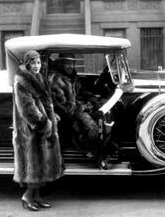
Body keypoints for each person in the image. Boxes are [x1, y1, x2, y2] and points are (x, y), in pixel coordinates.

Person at [12, 50, 64, 211]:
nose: (37, 66)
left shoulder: (39, 77)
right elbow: (28, 109)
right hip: (30, 130)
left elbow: (44, 102)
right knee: (33, 165)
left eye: (39, 62)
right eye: (33, 63)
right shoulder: (22, 81)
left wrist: (51, 115)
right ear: (27, 64)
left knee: (41, 164)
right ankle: (27, 196)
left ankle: (37, 196)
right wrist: (45, 124)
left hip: (41, 127)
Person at [48, 54, 102, 164]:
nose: (71, 66)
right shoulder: (55, 79)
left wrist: (93, 99)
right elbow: (64, 107)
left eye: (72, 63)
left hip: (77, 109)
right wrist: (84, 109)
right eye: (67, 63)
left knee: (101, 117)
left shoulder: (72, 76)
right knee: (90, 128)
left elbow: (81, 92)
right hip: (64, 116)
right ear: (61, 64)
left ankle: (98, 152)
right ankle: (87, 153)